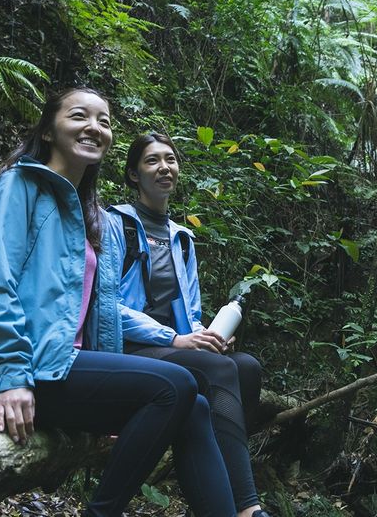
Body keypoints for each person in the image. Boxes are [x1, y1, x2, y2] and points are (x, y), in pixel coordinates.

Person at [0, 88, 237, 517]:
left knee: (195, 407)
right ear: (47, 131)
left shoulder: (86, 212)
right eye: (80, 116)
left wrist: (118, 394)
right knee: (176, 385)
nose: (94, 127)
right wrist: (10, 375)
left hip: (60, 366)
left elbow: (97, 312)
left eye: (104, 121)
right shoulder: (18, 187)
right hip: (9, 371)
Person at [111, 132, 270, 517]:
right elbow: (105, 307)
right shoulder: (116, 224)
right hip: (128, 347)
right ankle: (247, 507)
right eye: (152, 160)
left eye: (170, 159)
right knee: (218, 369)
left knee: (246, 367)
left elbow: (190, 314)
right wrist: (175, 339)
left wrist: (207, 336)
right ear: (133, 174)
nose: (164, 167)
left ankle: (213, 493)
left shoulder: (182, 240)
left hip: (174, 346)